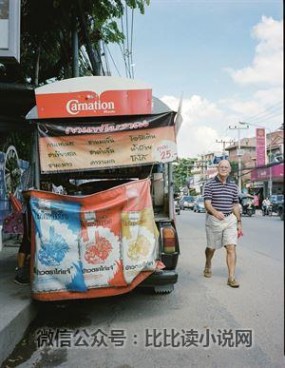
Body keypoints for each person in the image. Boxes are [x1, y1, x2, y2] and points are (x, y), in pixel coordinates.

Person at [203, 160, 242, 288]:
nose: (224, 169)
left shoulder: (233, 186)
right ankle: (208, 263)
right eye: (221, 167)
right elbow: (207, 203)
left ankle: (231, 277)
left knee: (231, 247)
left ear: (229, 170)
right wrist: (215, 212)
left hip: (230, 220)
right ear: (217, 168)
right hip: (214, 220)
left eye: (226, 167)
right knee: (211, 248)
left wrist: (239, 221)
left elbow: (235, 204)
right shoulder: (209, 184)